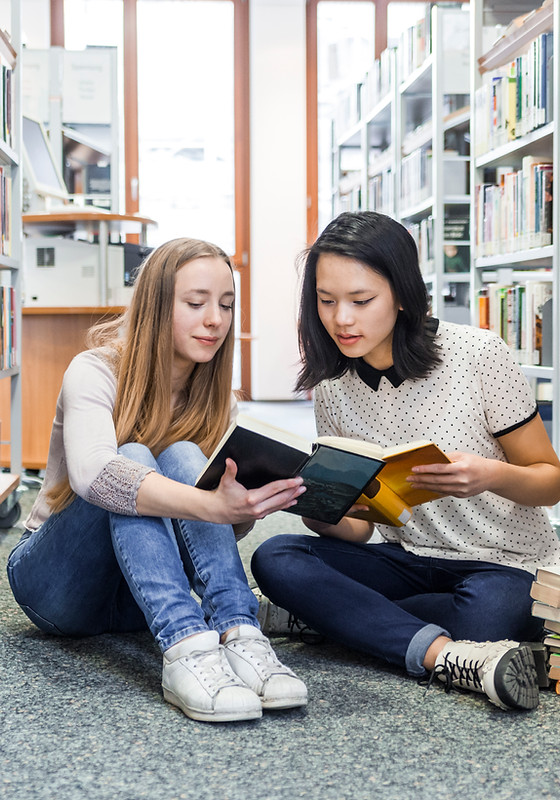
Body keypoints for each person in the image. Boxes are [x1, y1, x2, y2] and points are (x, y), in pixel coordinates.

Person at [251, 210, 560, 711]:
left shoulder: (478, 354)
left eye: (361, 301)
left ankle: (334, 617)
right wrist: (320, 509)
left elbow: (551, 481)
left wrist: (490, 475)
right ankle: (446, 654)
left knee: (487, 615)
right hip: (410, 559)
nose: (341, 319)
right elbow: (359, 532)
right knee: (276, 557)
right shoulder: (332, 387)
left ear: (401, 294)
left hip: (504, 564)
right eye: (326, 301)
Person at [7, 237, 308, 724]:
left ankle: (239, 630)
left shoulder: (218, 401)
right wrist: (209, 504)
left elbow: (211, 537)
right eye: (196, 303)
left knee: (185, 454)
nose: (215, 319)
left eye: (226, 304)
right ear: (155, 305)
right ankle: (184, 643)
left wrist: (246, 507)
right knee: (130, 457)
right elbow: (95, 475)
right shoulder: (95, 370)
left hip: (142, 594)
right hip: (56, 586)